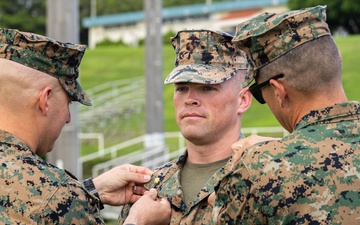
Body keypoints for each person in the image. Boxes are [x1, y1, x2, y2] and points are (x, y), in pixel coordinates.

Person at [0, 27, 170, 225]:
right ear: (45, 100)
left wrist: (90, 190)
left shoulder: (56, 196)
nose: (68, 118)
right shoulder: (56, 196)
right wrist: (139, 221)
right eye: (68, 103)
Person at [211, 5, 360, 224]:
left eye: (260, 94)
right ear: (337, 60)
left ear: (279, 92)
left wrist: (224, 196)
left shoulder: (258, 168)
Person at [119, 29, 251, 224]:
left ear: (243, 100)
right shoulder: (150, 189)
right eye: (182, 88)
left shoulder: (262, 179)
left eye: (207, 87)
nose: (190, 99)